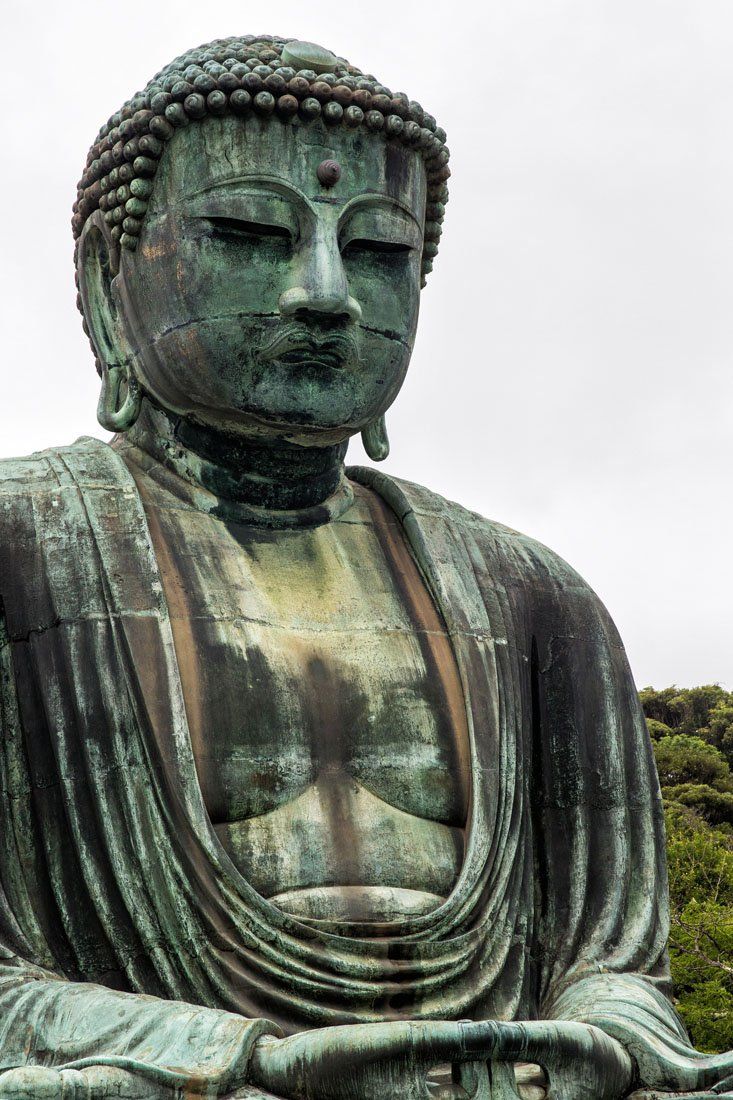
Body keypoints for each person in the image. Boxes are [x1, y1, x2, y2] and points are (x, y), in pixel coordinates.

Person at [0, 33, 730, 1100]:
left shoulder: (534, 598)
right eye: (251, 231)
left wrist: (600, 1035)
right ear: (110, 276)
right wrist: (243, 1057)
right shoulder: (23, 552)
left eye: (382, 250)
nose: (326, 292)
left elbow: (612, 969)